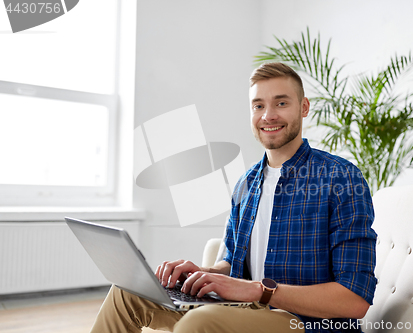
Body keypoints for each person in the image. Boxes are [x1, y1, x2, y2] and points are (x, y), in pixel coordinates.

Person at [90, 62, 377, 333]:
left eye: (281, 103)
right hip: (242, 309)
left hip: (304, 323)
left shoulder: (341, 178)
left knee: (200, 322)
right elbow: (231, 261)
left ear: (303, 108)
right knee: (126, 293)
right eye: (258, 106)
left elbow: (354, 300)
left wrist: (257, 290)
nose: (268, 115)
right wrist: (202, 273)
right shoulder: (247, 183)